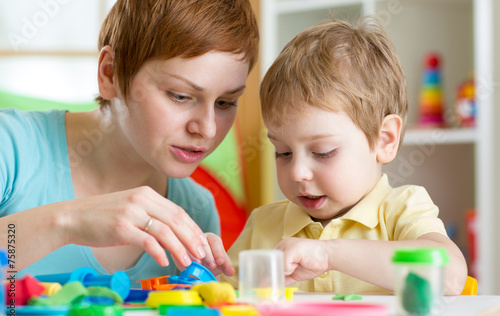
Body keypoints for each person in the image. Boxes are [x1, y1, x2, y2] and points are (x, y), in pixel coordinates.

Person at [0, 0, 259, 287]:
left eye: (225, 102)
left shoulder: (196, 210)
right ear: (110, 73)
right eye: (180, 96)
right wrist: (69, 222)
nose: (208, 129)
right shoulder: (10, 147)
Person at [222, 17, 467, 295]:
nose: (296, 172)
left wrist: (328, 253)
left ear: (384, 139)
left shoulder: (402, 210)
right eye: (283, 152)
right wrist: (205, 270)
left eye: (322, 152)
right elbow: (220, 301)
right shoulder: (263, 226)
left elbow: (450, 277)